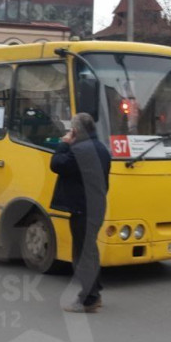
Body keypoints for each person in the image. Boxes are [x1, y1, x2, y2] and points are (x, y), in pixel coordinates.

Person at [50, 113, 111, 313]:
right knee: (90, 251)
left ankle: (89, 299)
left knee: (82, 254)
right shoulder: (101, 148)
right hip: (97, 206)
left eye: (71, 131)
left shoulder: (78, 150)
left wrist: (65, 143)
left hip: (81, 208)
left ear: (75, 131)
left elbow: (56, 164)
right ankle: (96, 291)